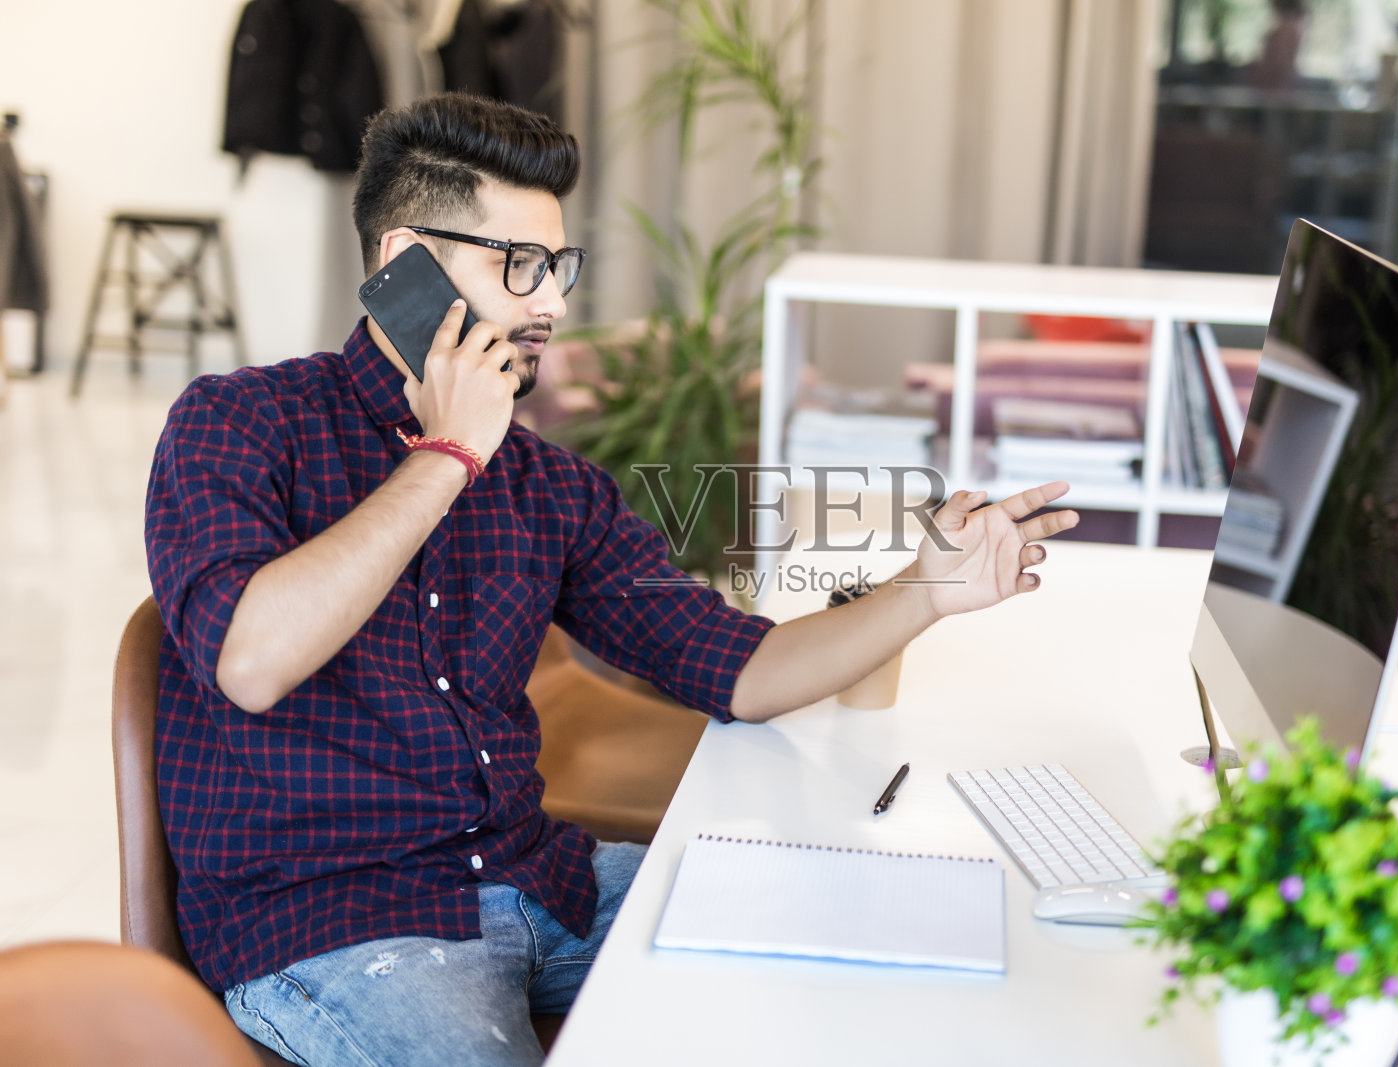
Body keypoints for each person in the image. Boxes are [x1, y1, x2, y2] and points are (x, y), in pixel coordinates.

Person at [144, 92, 1078, 1067]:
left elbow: (741, 670)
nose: (551, 302)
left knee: (860, 943)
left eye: (558, 267)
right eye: (520, 265)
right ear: (406, 265)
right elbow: (250, 660)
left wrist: (925, 589)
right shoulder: (240, 422)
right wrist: (448, 453)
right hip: (333, 922)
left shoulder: (549, 485)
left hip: (544, 881)